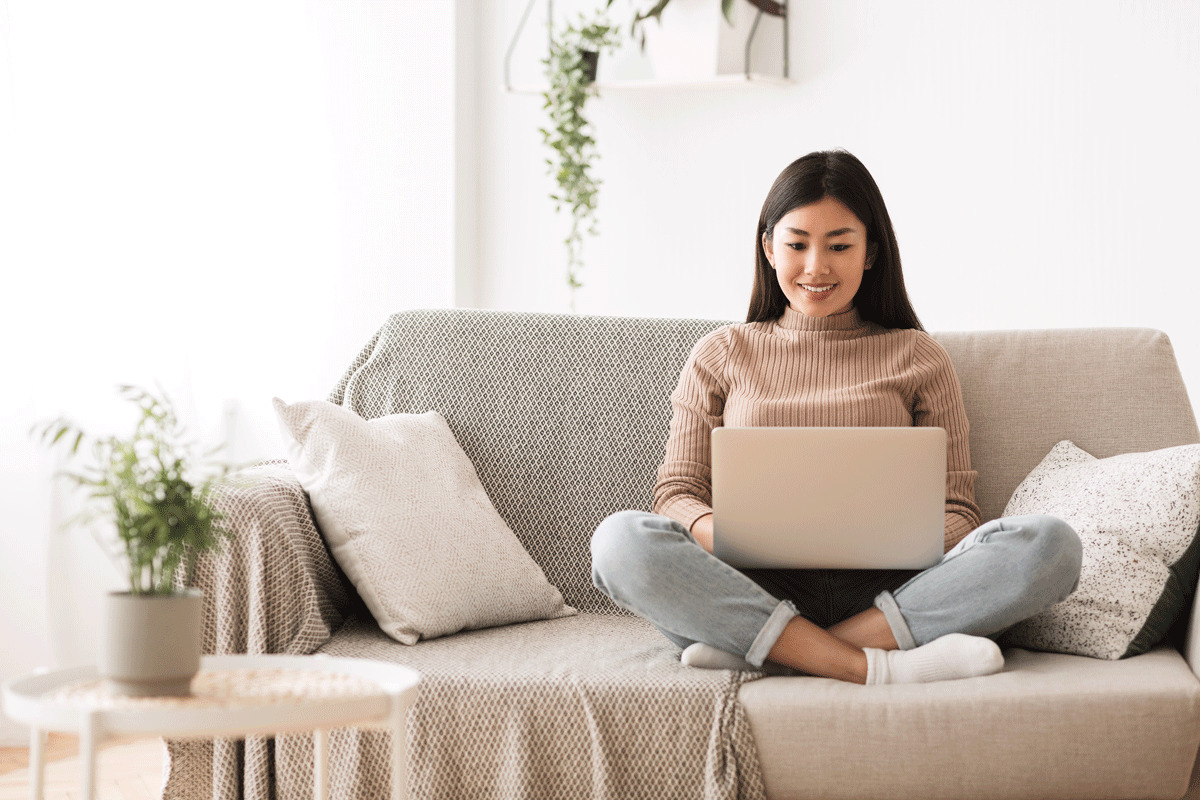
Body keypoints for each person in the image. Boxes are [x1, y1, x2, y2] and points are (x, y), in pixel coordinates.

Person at [590, 149, 1082, 686]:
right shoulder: (721, 353)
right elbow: (678, 494)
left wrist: (899, 537)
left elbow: (959, 511)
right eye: (796, 245)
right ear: (769, 250)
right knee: (620, 542)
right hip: (749, 588)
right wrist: (736, 535)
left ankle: (779, 653)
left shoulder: (918, 356)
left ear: (870, 252)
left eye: (840, 245)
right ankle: (873, 665)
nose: (816, 267)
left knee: (1050, 546)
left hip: (892, 593)